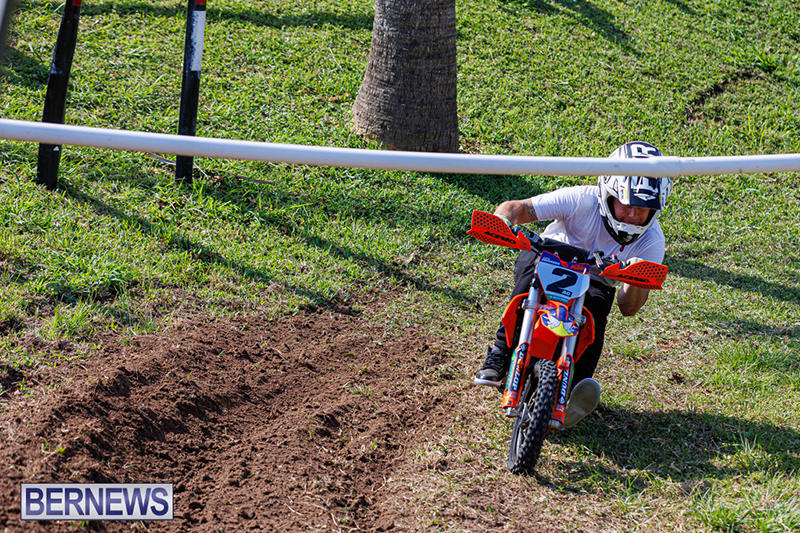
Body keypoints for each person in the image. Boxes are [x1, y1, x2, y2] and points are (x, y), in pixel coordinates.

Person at [474, 141, 672, 428]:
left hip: (596, 281)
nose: (633, 215)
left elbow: (628, 308)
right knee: (529, 278)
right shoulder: (582, 199)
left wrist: (637, 278)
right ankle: (500, 351)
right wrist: (503, 220)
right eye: (626, 203)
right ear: (607, 193)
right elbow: (518, 207)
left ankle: (574, 389)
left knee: (594, 316)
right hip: (550, 257)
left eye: (643, 208)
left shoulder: (652, 240)